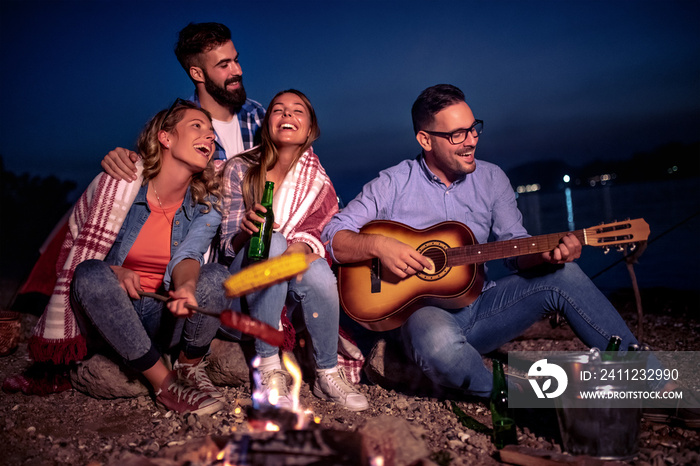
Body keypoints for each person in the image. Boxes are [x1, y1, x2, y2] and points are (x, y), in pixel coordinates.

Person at [321, 84, 698, 426]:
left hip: (483, 307)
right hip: (423, 315)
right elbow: (333, 234)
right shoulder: (393, 183)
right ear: (425, 139)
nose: (470, 141)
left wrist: (547, 256)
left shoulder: (492, 179)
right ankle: (529, 398)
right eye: (456, 134)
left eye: (473, 128)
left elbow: (516, 249)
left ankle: (651, 384)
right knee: (435, 341)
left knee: (564, 276)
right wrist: (378, 245)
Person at [29, 100, 230, 415]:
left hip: (167, 315)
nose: (210, 137)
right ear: (166, 137)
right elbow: (76, 259)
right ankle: (165, 385)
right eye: (197, 126)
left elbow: (191, 254)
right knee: (91, 273)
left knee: (216, 276)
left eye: (211, 132)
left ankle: (189, 366)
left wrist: (186, 287)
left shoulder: (209, 203)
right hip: (116, 316)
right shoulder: (119, 187)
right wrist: (116, 272)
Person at [221, 89, 369, 411]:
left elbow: (318, 235)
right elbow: (226, 249)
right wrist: (244, 233)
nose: (287, 115)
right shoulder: (240, 169)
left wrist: (298, 250)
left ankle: (327, 372)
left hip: (289, 285)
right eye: (278, 110)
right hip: (245, 283)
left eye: (297, 110)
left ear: (310, 127)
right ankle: (270, 366)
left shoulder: (318, 181)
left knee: (316, 269)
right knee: (272, 241)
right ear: (268, 123)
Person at [101, 22, 265, 180]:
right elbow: (150, 178)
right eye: (224, 65)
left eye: (235, 60)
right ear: (197, 74)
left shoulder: (258, 114)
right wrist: (122, 160)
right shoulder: (174, 126)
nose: (238, 70)